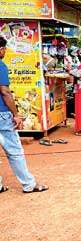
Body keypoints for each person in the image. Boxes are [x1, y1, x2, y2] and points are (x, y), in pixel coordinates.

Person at [0, 36, 48, 194]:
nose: (5, 51)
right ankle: (28, 184)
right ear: (1, 49)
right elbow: (5, 92)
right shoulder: (1, 66)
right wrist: (16, 114)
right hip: (2, 115)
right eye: (4, 48)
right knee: (14, 151)